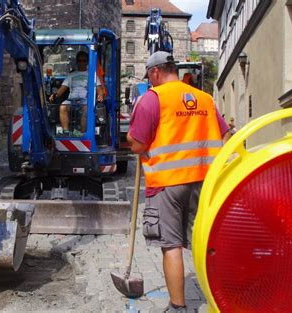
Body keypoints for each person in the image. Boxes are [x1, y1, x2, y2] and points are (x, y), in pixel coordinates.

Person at [127, 51, 231, 313]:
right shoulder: (204, 98)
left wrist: (133, 141)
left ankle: (177, 307)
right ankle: (221, 298)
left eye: (150, 77)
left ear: (155, 72)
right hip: (205, 183)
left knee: (171, 245)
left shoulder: (152, 99)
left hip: (168, 183)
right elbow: (226, 134)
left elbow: (138, 144)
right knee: (206, 242)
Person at [49, 51, 104, 135]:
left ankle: (82, 133)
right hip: (72, 100)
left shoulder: (92, 75)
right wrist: (55, 95)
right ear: (77, 62)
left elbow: (99, 88)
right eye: (79, 60)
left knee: (86, 109)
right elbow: (62, 88)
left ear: (87, 62)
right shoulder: (71, 75)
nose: (81, 62)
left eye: (84, 60)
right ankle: (66, 132)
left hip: (85, 100)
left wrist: (100, 95)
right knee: (63, 107)